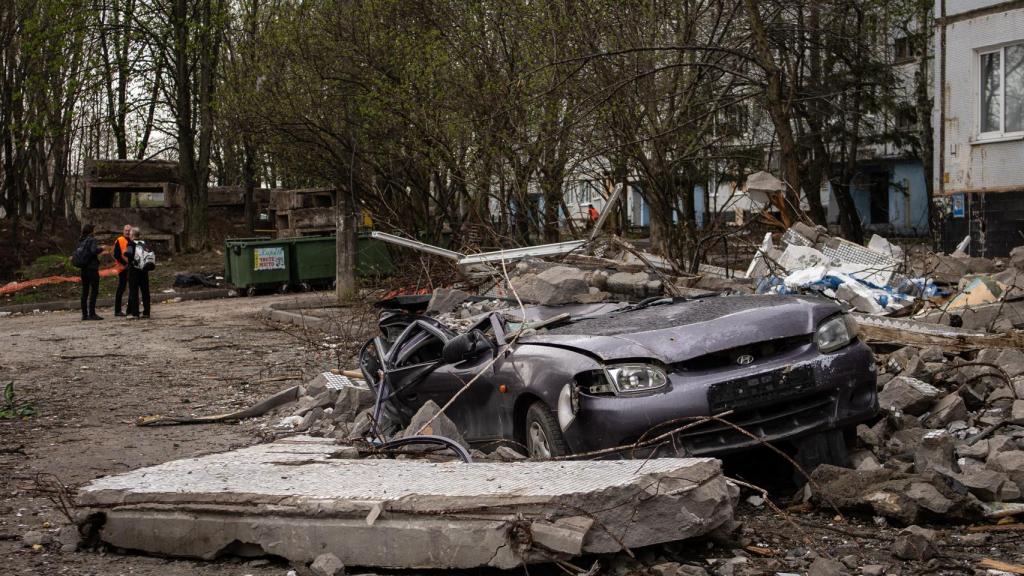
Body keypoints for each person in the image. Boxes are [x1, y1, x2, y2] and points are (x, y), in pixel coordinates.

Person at [77, 224, 105, 321]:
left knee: (85, 291)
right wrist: (101, 248)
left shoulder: (81, 240)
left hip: (83, 268)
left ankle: (84, 314)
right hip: (92, 268)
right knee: (94, 290)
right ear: (91, 231)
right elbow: (93, 251)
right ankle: (92, 313)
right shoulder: (92, 240)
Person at [125, 227, 151, 319]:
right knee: (145, 292)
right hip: (144, 271)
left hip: (134, 271)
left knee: (134, 292)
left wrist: (126, 254)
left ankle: (135, 313)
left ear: (132, 235)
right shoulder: (144, 243)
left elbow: (128, 253)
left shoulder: (131, 243)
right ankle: (146, 312)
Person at [112, 223, 132, 316]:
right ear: (123, 231)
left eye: (129, 230)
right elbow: (116, 255)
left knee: (132, 288)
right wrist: (125, 264)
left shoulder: (132, 240)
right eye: (126, 230)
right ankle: (117, 310)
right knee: (121, 288)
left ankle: (131, 309)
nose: (127, 232)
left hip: (131, 268)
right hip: (123, 268)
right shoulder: (120, 240)